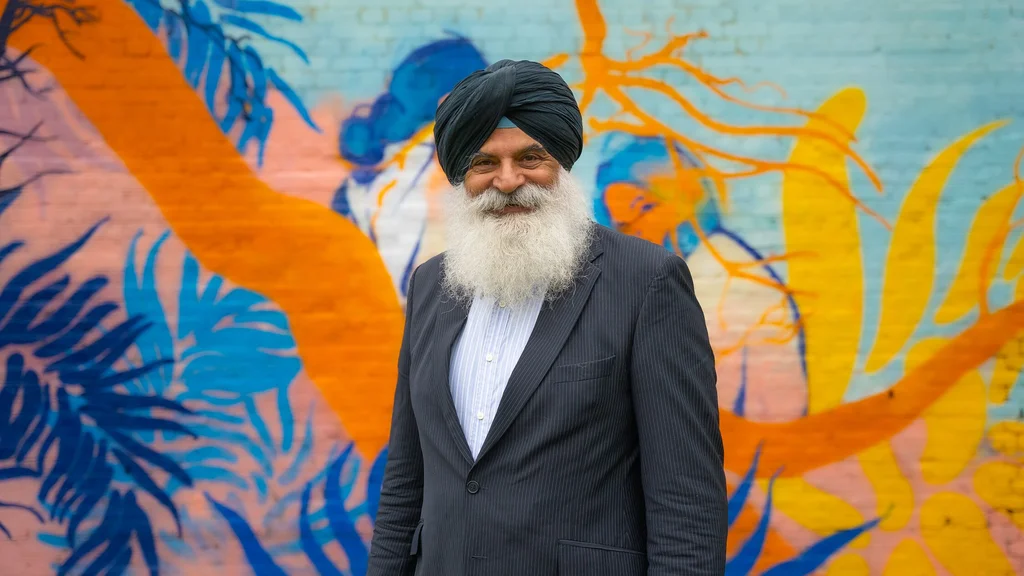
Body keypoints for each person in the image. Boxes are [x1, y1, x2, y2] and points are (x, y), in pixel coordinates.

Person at [366, 59, 728, 576]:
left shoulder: (647, 282)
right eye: (483, 163)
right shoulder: (431, 287)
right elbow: (406, 479)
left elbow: (687, 503)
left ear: (561, 163)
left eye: (530, 157)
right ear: (461, 177)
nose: (508, 180)